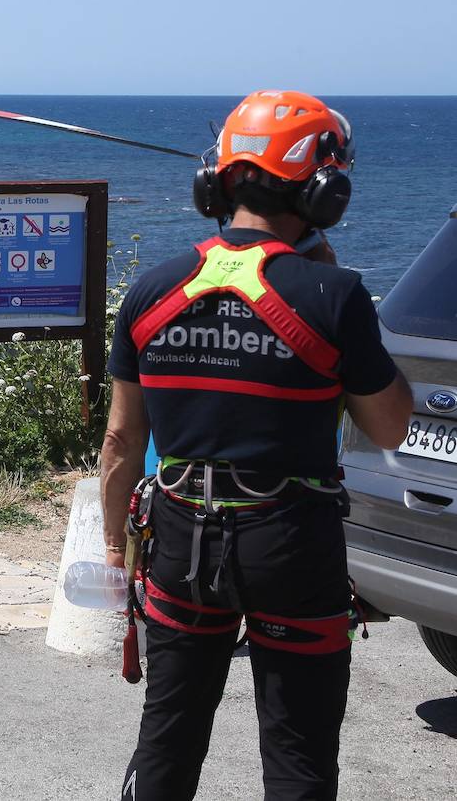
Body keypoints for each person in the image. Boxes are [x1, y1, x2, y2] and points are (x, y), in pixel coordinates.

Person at [102, 91, 412, 800]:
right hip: (291, 546)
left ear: (218, 179)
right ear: (324, 189)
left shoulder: (153, 290)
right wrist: (339, 307)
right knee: (298, 752)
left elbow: (121, 441)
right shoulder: (336, 295)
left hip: (179, 541)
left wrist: (117, 553)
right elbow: (391, 427)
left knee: (168, 740)